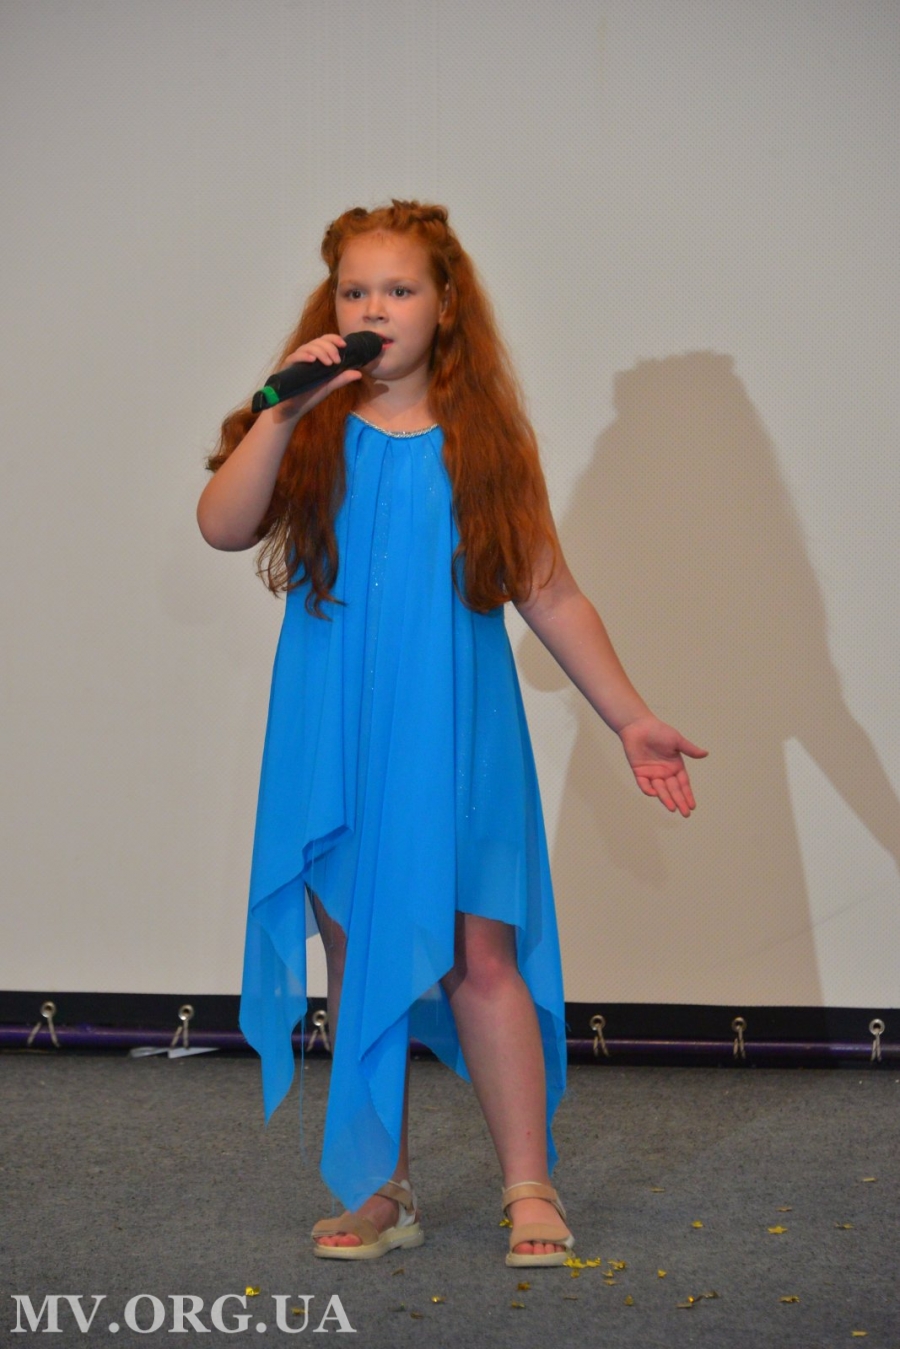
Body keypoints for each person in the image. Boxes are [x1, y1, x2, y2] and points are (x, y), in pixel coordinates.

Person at [196, 200, 706, 1267]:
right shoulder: (307, 425)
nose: (374, 307)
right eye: (355, 290)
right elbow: (223, 524)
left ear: (445, 305)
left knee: (481, 950)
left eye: (399, 289)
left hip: (456, 723)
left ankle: (529, 1183)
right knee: (356, 944)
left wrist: (630, 716)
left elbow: (549, 590)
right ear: (331, 305)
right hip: (335, 724)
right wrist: (279, 408)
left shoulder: (485, 441)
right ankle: (381, 1186)